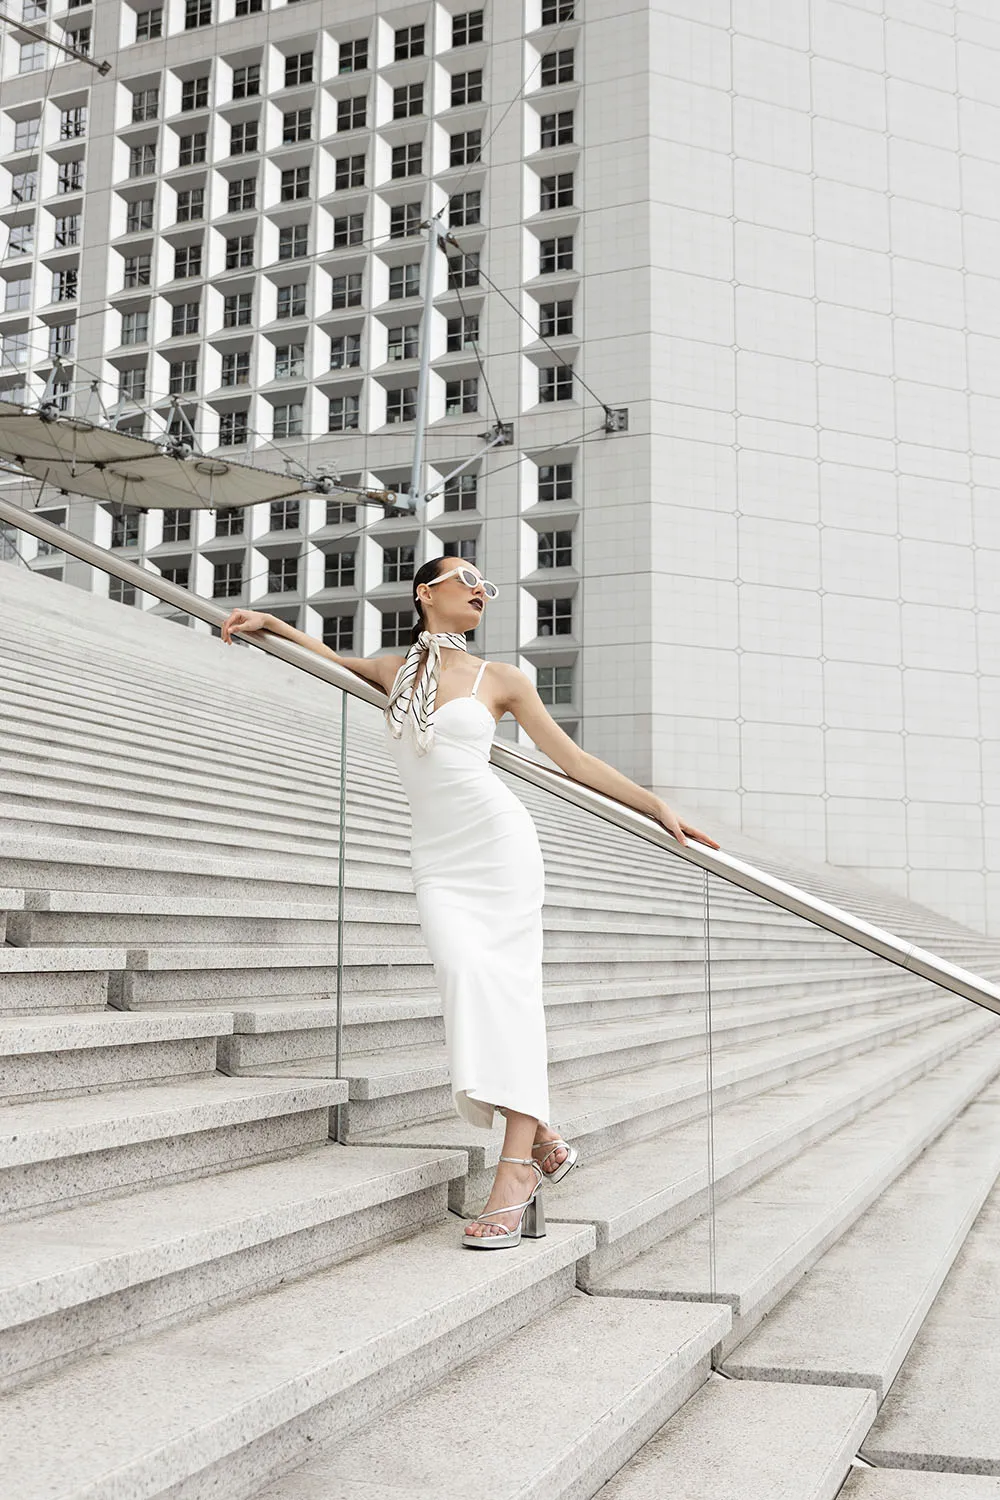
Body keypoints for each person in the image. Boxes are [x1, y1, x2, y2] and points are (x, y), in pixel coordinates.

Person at [221, 558, 718, 1249]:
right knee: (463, 978)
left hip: (499, 848)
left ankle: (515, 1174)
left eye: (489, 587)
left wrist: (657, 804)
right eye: (468, 579)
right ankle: (540, 1131)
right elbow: (326, 656)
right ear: (426, 594)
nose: (482, 590)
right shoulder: (399, 673)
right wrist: (268, 621)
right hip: (438, 860)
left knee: (509, 995)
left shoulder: (503, 680)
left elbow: (574, 762)